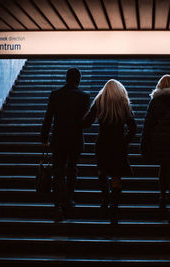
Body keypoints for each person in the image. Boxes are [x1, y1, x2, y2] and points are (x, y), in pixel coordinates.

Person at [83, 79, 136, 225]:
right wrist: (124, 142)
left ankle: (105, 198)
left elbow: (86, 122)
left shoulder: (100, 101)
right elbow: (133, 129)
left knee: (102, 172)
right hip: (118, 144)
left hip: (103, 143)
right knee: (116, 178)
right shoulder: (123, 103)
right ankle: (114, 210)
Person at [41, 68, 91, 220]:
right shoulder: (84, 96)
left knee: (58, 171)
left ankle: (58, 205)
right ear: (78, 80)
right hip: (75, 140)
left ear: (66, 78)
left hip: (58, 139)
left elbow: (48, 117)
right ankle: (69, 199)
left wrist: (44, 138)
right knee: (72, 170)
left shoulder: (55, 95)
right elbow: (85, 123)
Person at [140, 74, 170, 224]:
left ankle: (161, 197)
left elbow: (148, 124)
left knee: (163, 167)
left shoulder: (154, 101)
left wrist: (144, 143)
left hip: (159, 140)